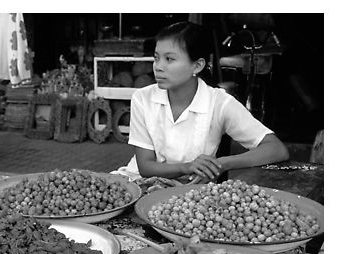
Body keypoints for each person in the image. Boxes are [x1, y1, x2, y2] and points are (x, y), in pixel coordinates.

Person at [117, 21, 289, 183]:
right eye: (156, 58)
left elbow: (276, 149)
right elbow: (145, 167)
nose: (158, 66)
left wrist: (222, 164)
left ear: (197, 66)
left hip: (190, 191)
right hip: (137, 182)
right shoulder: (142, 98)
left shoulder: (219, 103)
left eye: (169, 59)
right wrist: (187, 167)